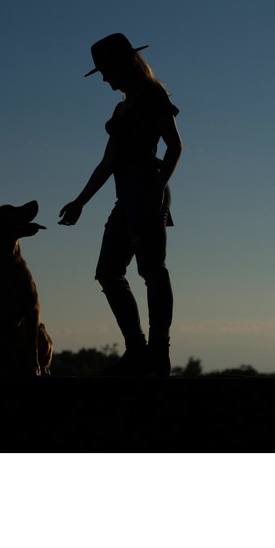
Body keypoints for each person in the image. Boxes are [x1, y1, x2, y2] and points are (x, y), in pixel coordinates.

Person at [59, 33, 183, 377]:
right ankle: (137, 350)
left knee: (152, 270)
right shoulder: (120, 108)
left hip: (147, 188)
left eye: (106, 71)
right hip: (125, 194)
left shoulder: (153, 95)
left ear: (124, 65)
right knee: (108, 272)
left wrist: (157, 189)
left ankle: (158, 353)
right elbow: (108, 163)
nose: (104, 79)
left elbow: (175, 146)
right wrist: (80, 202)